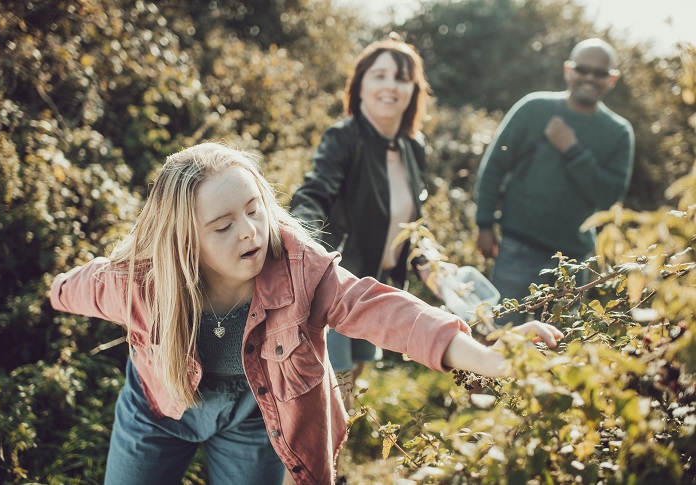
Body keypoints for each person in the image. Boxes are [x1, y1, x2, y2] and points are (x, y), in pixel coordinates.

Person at [50, 142, 563, 485]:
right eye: (222, 225)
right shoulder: (137, 284)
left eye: (253, 209)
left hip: (256, 416)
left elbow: (383, 309)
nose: (249, 231)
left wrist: (491, 359)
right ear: (186, 240)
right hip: (158, 411)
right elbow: (77, 287)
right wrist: (54, 289)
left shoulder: (300, 269)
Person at [289, 36, 435, 399]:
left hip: (379, 285)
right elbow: (314, 193)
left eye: (400, 78)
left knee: (353, 382)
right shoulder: (344, 137)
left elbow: (412, 223)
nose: (390, 85)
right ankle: (319, 456)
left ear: (412, 89)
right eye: (379, 75)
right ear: (361, 85)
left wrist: (429, 260)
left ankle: (340, 453)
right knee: (331, 388)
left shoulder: (413, 148)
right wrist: (301, 246)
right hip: (338, 281)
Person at [475, 38, 635, 326]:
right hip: (516, 247)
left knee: (556, 348)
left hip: (572, 261)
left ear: (612, 79)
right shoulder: (533, 108)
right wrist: (484, 224)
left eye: (599, 73)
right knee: (500, 334)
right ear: (568, 70)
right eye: (582, 69)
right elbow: (494, 166)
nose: (589, 77)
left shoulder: (619, 132)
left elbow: (610, 196)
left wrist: (572, 149)